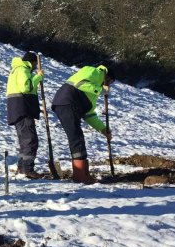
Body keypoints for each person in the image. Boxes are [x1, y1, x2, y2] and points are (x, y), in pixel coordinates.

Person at [51, 65, 114, 184]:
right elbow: (81, 84)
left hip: (70, 104)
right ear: (108, 77)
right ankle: (80, 175)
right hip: (67, 102)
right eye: (110, 81)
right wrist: (100, 89)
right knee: (76, 137)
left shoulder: (93, 92)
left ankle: (84, 174)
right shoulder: (93, 72)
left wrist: (103, 129)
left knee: (78, 136)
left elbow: (89, 114)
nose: (109, 85)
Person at [6, 51, 45, 179]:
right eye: (35, 64)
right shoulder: (23, 70)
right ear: (32, 62)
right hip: (23, 109)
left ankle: (22, 169)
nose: (35, 67)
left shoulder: (16, 69)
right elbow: (26, 88)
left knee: (25, 141)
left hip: (17, 109)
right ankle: (28, 170)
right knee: (30, 140)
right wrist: (38, 77)